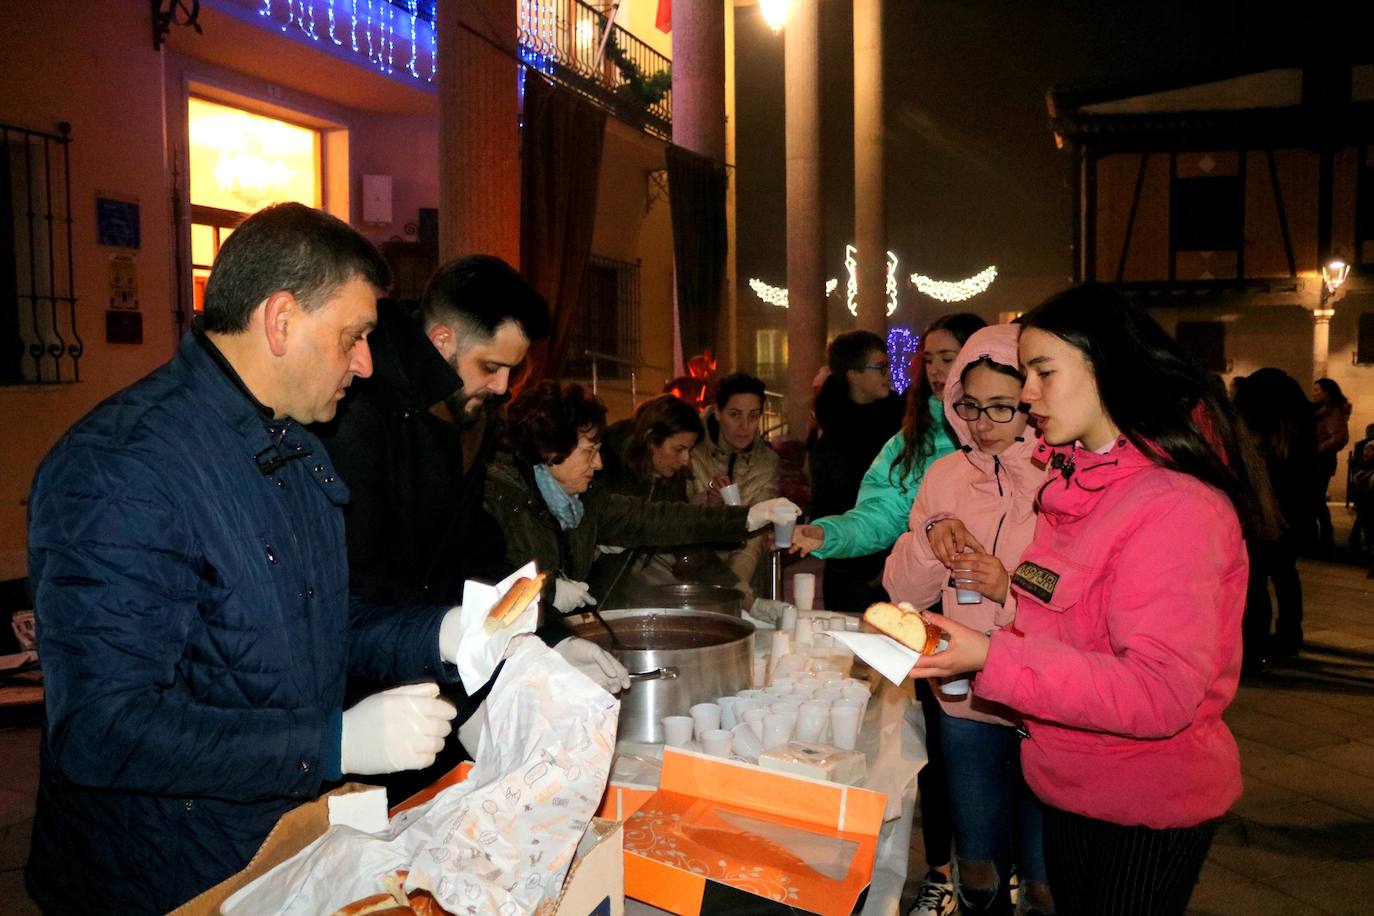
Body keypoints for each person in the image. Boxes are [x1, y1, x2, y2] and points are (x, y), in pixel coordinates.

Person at [25, 203, 469, 914]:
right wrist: (332, 743)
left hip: (268, 848)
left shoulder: (290, 444)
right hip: (161, 876)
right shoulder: (120, 467)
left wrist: (445, 633)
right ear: (282, 319)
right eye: (354, 336)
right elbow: (103, 729)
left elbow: (316, 622)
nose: (365, 362)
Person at [911, 284, 1270, 915]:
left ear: (1110, 367)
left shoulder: (1174, 506)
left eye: (1043, 372)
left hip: (1143, 800)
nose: (1027, 394)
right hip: (1068, 779)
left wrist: (988, 658)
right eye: (1027, 375)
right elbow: (1067, 620)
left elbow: (1160, 692)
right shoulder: (1078, 485)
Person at [315, 256, 623, 802]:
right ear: (441, 340)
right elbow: (362, 590)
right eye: (491, 366)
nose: (504, 387)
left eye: (513, 370)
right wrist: (459, 691)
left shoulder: (465, 418)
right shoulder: (360, 415)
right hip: (366, 706)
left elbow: (477, 554)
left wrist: (550, 636)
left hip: (435, 688)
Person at [791, 312, 985, 916]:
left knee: (1001, 760)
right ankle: (944, 871)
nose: (938, 372)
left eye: (951, 358)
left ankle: (1006, 877)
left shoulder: (1024, 437)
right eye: (930, 360)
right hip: (926, 615)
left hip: (1002, 619)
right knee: (939, 747)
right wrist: (829, 533)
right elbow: (879, 512)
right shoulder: (913, 440)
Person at [883, 324, 1051, 915]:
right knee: (976, 863)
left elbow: (1076, 588)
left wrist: (1011, 585)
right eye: (969, 406)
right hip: (965, 700)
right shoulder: (946, 475)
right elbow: (900, 588)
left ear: (1032, 402)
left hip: (1047, 698)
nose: (982, 423)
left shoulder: (1063, 476)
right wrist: (931, 537)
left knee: (1043, 876)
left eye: (1002, 408)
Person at [485, 381, 799, 617]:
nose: (598, 464)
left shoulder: (585, 500)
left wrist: (747, 517)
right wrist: (547, 589)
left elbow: (664, 519)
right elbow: (486, 577)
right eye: (589, 452)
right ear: (553, 449)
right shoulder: (501, 495)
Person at [590, 394, 743, 600]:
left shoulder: (667, 475)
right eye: (679, 449)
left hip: (613, 594)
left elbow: (684, 532)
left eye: (689, 450)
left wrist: (736, 590)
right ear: (652, 439)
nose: (685, 460)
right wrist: (595, 545)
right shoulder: (607, 467)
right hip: (584, 595)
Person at [808, 330, 907, 611]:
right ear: (854, 374)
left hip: (894, 560)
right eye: (880, 368)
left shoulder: (901, 420)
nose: (888, 374)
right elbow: (830, 497)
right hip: (845, 563)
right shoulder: (832, 426)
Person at [1233, 369, 1317, 666]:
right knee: (1284, 577)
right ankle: (1289, 634)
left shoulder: (1260, 433)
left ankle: (1256, 642)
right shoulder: (1300, 431)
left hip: (1265, 518)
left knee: (1257, 580)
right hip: (1288, 518)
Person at [688, 372, 782, 598]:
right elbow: (673, 512)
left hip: (744, 581)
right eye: (735, 415)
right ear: (718, 412)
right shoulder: (690, 452)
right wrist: (707, 501)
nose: (745, 426)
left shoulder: (767, 462)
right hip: (692, 574)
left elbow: (757, 530)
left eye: (753, 416)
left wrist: (732, 591)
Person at [1312, 377, 1352, 555]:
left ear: (1326, 392)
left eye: (1317, 390)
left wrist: (1318, 448)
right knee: (1315, 499)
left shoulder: (1332, 411)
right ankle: (1322, 536)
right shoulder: (1324, 411)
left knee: (1316, 499)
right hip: (1321, 460)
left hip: (1322, 461)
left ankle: (1325, 537)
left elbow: (1340, 437)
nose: (1314, 393)